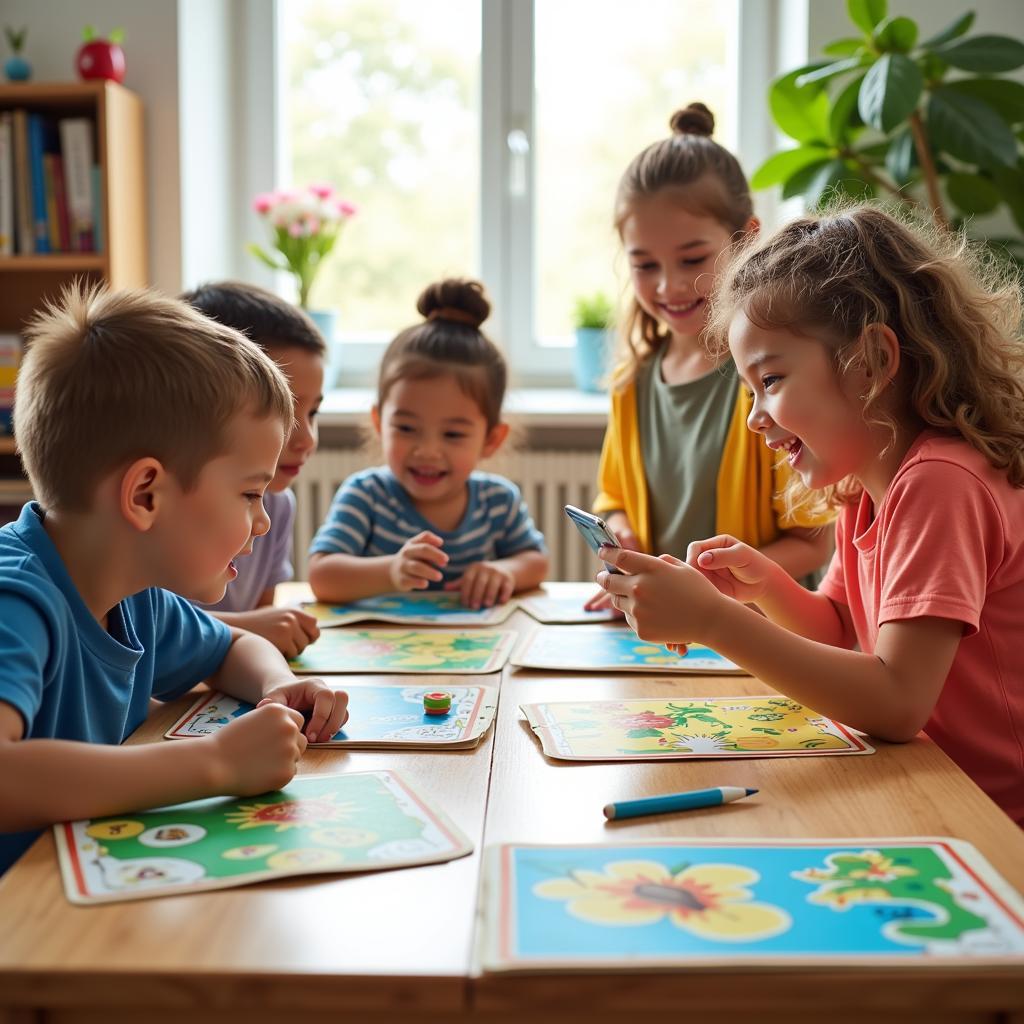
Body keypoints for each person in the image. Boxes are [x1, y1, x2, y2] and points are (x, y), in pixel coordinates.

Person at [596, 204, 1024, 826]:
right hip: (921, 786)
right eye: (748, 389)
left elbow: (897, 701)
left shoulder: (941, 484)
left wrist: (715, 622)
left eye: (770, 380)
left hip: (991, 818)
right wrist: (761, 585)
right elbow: (837, 627)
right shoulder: (865, 488)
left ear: (872, 362)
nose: (753, 416)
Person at [0, 285, 349, 875]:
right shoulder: (18, 600)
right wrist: (215, 764)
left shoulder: (137, 594)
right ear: (146, 494)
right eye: (249, 493)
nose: (263, 520)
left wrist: (277, 686)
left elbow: (235, 645)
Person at [587, 102, 832, 611]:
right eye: (644, 264)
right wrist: (623, 535)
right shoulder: (631, 383)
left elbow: (813, 541)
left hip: (769, 639)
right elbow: (612, 498)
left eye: (692, 259)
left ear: (746, 238)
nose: (669, 284)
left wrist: (709, 594)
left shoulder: (775, 382)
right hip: (663, 633)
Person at [308, 278, 548, 608]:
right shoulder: (367, 496)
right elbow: (322, 577)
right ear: (380, 424)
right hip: (379, 655)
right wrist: (391, 570)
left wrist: (504, 570)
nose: (427, 451)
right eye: (407, 428)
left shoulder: (497, 502)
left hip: (475, 654)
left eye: (453, 434)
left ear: (491, 440)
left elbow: (536, 561)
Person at [181, 281, 324, 657]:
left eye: (313, 412)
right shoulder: (173, 512)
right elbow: (150, 631)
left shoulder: (277, 505)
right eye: (287, 413)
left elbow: (263, 625)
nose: (306, 438)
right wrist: (251, 629)